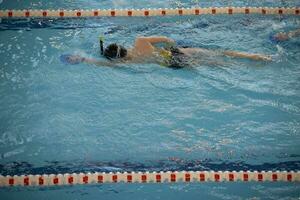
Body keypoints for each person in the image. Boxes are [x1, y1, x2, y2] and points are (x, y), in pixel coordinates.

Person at [61, 36, 272, 68]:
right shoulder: (141, 41)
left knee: (216, 66)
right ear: (122, 45)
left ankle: (250, 63)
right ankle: (255, 57)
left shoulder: (127, 63)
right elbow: (168, 39)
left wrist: (82, 59)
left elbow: (103, 64)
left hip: (173, 66)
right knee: (222, 53)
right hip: (175, 53)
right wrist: (173, 48)